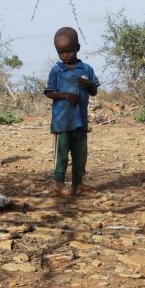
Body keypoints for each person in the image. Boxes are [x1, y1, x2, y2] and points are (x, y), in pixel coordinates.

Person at [43, 26, 100, 197]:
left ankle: (78, 183)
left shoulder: (86, 69)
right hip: (62, 123)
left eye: (69, 51)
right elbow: (49, 92)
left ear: (78, 48)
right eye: (61, 52)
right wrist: (65, 95)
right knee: (61, 155)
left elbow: (94, 91)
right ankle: (59, 184)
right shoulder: (57, 71)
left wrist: (89, 85)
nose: (65, 55)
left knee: (80, 155)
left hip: (80, 122)